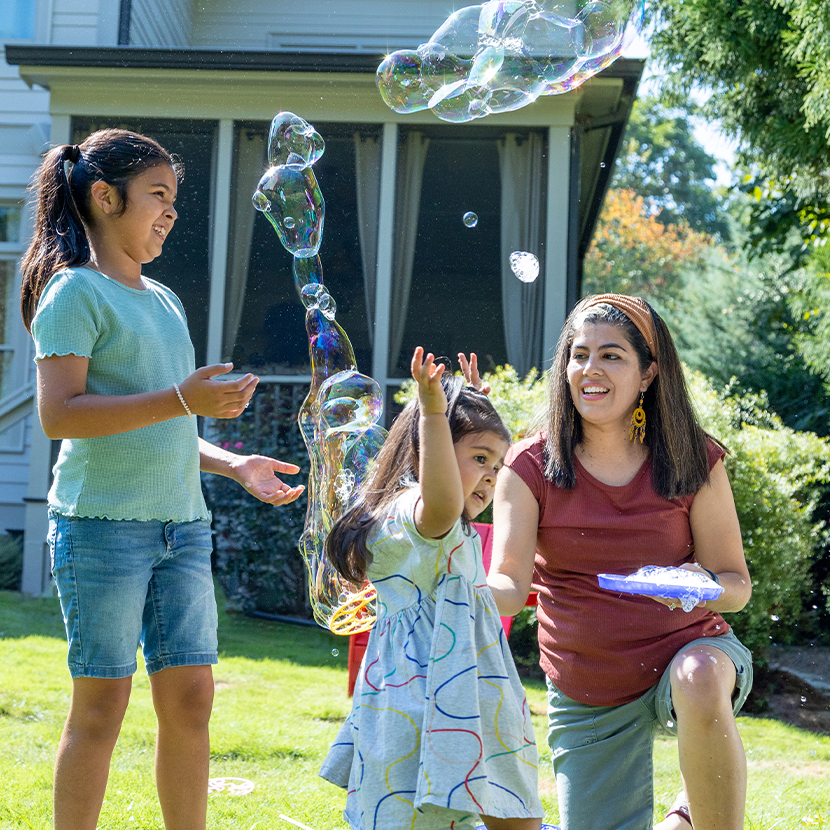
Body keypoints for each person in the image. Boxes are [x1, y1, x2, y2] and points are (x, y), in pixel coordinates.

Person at [19, 129, 305, 830]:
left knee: (190, 702)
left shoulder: (166, 301)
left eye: (174, 201)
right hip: (102, 529)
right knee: (102, 708)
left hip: (183, 528)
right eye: (158, 196)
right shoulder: (72, 293)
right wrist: (183, 399)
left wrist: (233, 461)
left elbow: (166, 425)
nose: (170, 213)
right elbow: (62, 415)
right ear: (105, 197)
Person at [485, 294, 753, 830]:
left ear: (648, 374)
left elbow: (736, 586)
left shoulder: (693, 459)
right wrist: (453, 587)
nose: (590, 369)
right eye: (578, 354)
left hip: (690, 652)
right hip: (589, 683)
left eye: (612, 356)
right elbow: (509, 584)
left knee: (697, 676)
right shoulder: (528, 466)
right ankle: (686, 815)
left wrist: (698, 585)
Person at [319, 348, 545, 830]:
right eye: (480, 458)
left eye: (497, 464)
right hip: (438, 703)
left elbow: (486, 595)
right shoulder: (422, 516)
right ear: (427, 451)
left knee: (508, 811)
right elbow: (443, 496)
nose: (490, 475)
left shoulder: (441, 531)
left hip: (465, 699)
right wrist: (435, 412)